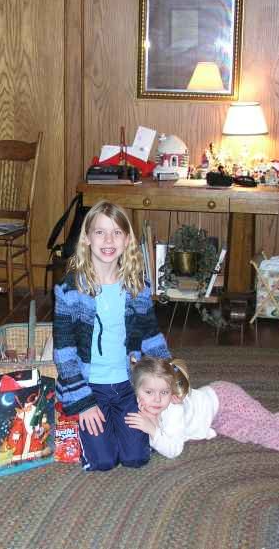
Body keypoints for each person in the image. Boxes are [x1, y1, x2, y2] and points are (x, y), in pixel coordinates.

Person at [53, 200, 171, 471]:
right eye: (100, 232)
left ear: (127, 240)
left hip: (129, 384)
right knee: (103, 461)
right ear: (86, 238)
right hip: (89, 385)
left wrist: (171, 377)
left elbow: (151, 337)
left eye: (116, 232)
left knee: (135, 458)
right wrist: (83, 402)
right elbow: (64, 352)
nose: (108, 240)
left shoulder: (137, 286)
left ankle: (121, 428)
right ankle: (79, 422)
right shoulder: (69, 289)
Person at [125, 355, 279, 466]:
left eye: (163, 393)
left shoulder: (173, 410)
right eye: (149, 393)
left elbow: (173, 450)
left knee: (269, 421)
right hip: (216, 421)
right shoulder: (139, 402)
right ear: (137, 391)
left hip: (223, 398)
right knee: (255, 434)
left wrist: (152, 431)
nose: (156, 399)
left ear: (172, 392)